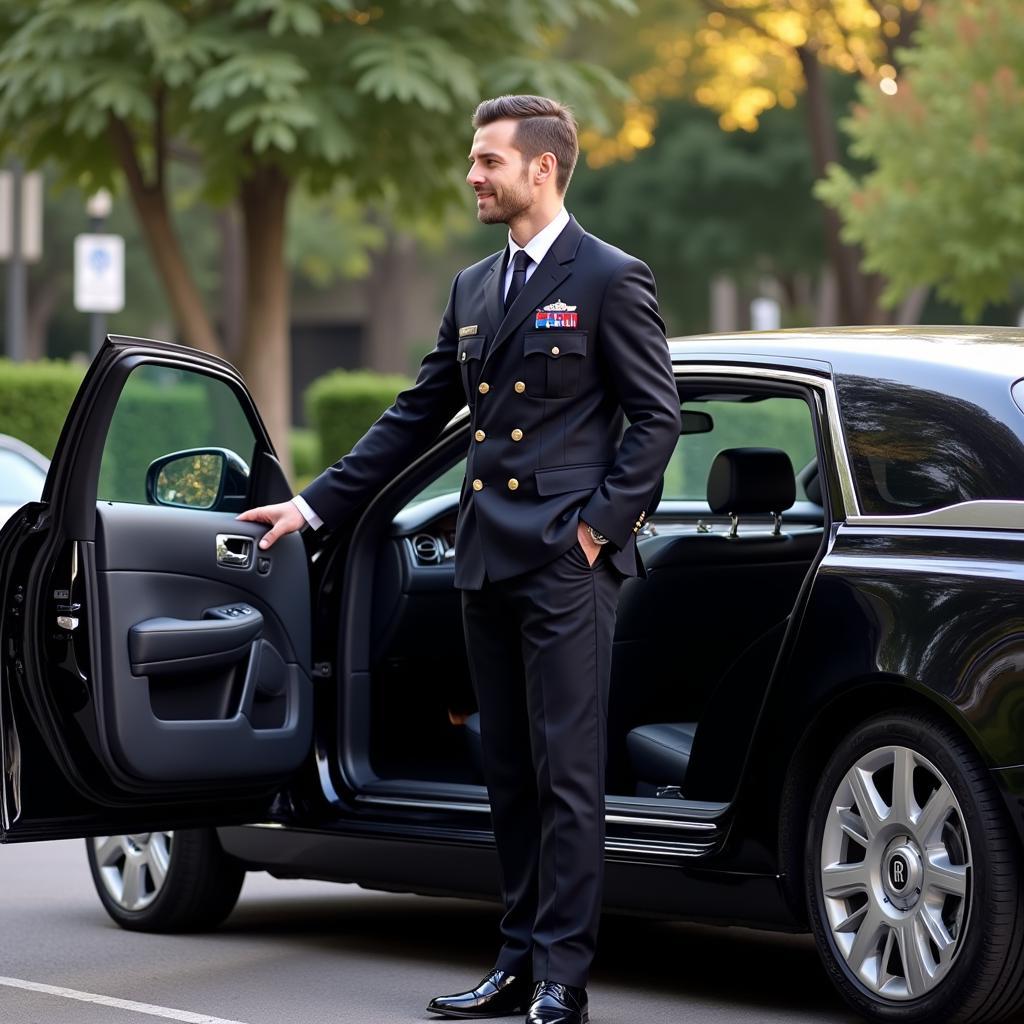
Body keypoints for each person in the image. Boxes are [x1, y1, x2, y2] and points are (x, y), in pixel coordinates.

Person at [238, 94, 681, 1024]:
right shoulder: (475, 287)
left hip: (565, 568)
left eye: (488, 161)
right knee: (509, 775)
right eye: (473, 161)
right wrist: (315, 504)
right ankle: (515, 963)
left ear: (543, 169)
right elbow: (415, 414)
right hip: (486, 564)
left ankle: (563, 978)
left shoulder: (609, 277)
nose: (472, 175)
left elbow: (656, 420)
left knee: (567, 776)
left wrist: (597, 532)